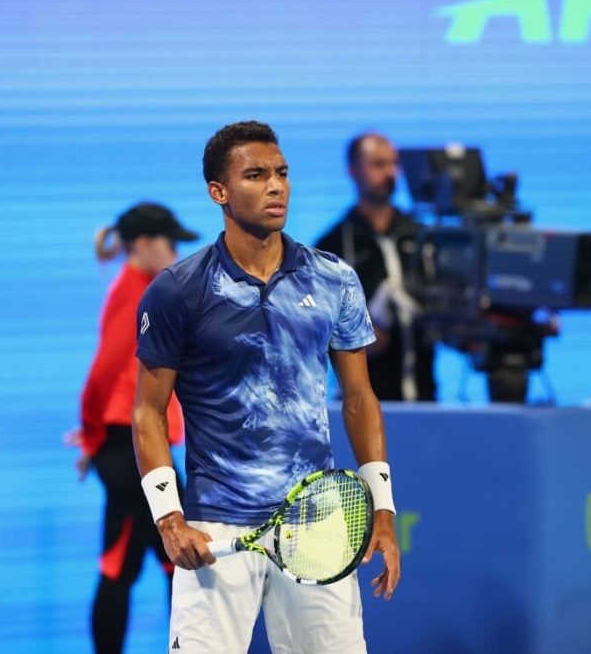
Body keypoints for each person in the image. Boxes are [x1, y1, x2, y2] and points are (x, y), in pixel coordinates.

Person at [132, 121, 401, 653]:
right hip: (215, 529)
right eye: (255, 175)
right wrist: (169, 519)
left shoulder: (334, 279)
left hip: (317, 527)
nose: (276, 186)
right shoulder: (177, 292)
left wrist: (384, 511)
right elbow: (148, 412)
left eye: (281, 173)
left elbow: (360, 399)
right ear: (219, 192)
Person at [68, 202, 198, 654]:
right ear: (142, 244)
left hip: (135, 445)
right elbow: (101, 375)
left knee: (160, 560)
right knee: (145, 559)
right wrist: (92, 435)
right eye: (170, 242)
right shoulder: (137, 293)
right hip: (128, 447)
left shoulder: (147, 289)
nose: (177, 252)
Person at [315, 132, 437, 402]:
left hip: (425, 402)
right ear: (353, 170)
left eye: (394, 164)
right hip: (364, 406)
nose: (389, 173)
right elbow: (316, 335)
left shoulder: (422, 237)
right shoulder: (331, 246)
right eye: (378, 164)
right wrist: (362, 337)